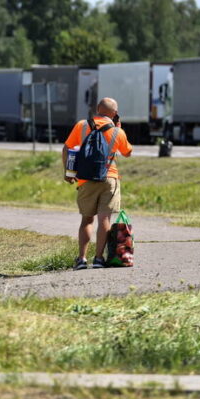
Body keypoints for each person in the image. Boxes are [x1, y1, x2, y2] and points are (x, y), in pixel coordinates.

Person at [63, 97, 133, 270]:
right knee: (105, 219)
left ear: (97, 109)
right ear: (115, 113)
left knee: (87, 220)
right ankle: (99, 259)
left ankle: (81, 259)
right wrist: (119, 129)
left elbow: (67, 148)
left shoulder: (82, 125)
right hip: (109, 178)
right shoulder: (118, 132)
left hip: (85, 179)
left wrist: (68, 172)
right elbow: (127, 152)